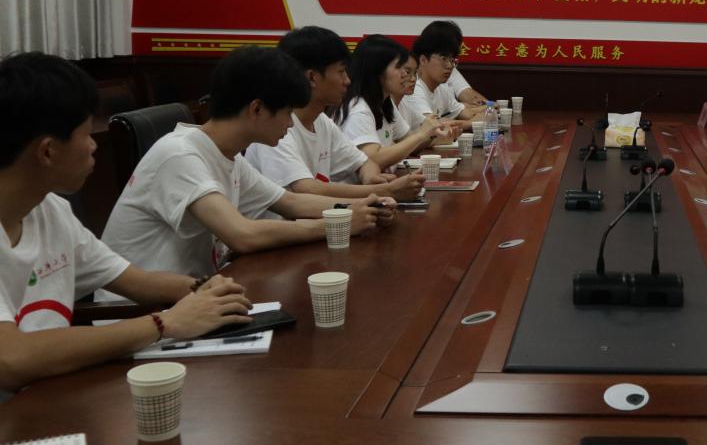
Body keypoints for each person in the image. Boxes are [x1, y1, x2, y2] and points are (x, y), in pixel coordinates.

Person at [0, 53, 252, 393]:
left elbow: (137, 281)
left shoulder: (50, 211)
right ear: (47, 151)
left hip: (57, 395)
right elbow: (11, 360)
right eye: (86, 134)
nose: (94, 146)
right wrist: (164, 323)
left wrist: (202, 290)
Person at [103, 47, 395, 278]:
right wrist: (339, 224)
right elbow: (242, 235)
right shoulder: (180, 155)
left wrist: (364, 207)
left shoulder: (228, 155)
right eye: (287, 112)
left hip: (199, 298)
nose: (290, 124)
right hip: (145, 315)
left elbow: (291, 202)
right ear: (257, 109)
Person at [245, 26, 427, 200]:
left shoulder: (321, 121)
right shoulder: (274, 126)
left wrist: (371, 179)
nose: (347, 81)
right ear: (312, 77)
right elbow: (305, 190)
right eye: (341, 71)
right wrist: (382, 190)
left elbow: (364, 162)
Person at [337, 35, 456, 168]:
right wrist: (421, 134)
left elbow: (408, 140)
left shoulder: (386, 103)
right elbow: (372, 159)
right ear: (378, 70)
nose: (410, 78)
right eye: (403, 70)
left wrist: (432, 133)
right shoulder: (358, 109)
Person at [401, 24, 481, 131]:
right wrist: (472, 123)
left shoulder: (440, 88)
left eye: (452, 60)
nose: (449, 66)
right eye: (444, 59)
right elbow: (433, 128)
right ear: (423, 60)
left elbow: (464, 112)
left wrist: (489, 111)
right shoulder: (413, 89)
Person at [423, 20, 489, 106]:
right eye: (444, 58)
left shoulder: (450, 67)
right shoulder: (414, 83)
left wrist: (491, 107)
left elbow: (467, 93)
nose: (449, 66)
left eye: (451, 58)